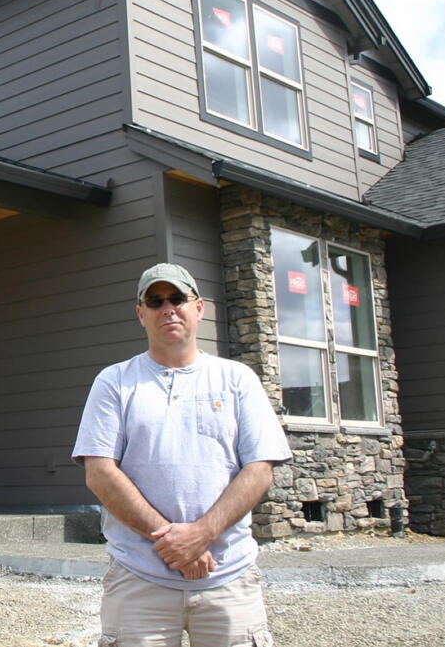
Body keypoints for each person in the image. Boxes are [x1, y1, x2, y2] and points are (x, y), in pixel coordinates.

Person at [73, 262, 291, 647]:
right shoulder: (115, 381)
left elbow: (259, 469)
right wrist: (175, 544)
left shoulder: (237, 380)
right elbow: (100, 472)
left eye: (177, 298)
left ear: (199, 307)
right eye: (155, 301)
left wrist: (201, 535)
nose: (167, 309)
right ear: (141, 314)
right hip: (139, 580)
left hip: (228, 578)